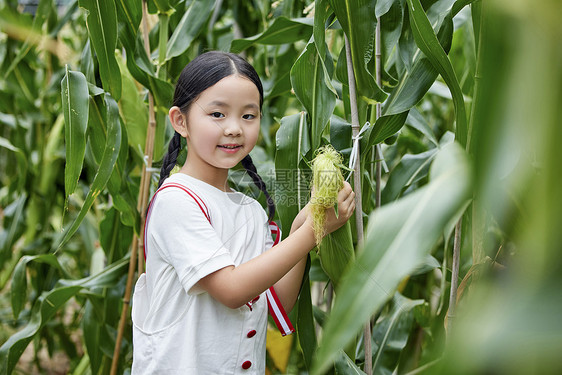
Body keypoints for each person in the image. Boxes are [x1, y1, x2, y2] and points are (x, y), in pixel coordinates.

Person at [131, 51, 355, 374]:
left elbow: (279, 300)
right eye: (218, 114)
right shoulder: (176, 202)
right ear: (181, 121)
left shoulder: (249, 209)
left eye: (248, 116)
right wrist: (313, 232)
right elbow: (232, 289)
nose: (235, 128)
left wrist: (308, 218)